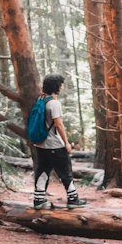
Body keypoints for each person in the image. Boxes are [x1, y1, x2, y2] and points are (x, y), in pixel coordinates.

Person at [30, 74, 85, 210]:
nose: (62, 87)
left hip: (41, 144)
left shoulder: (41, 100)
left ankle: (38, 199)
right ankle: (73, 199)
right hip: (54, 144)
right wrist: (66, 142)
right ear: (56, 87)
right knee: (65, 171)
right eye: (61, 84)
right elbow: (58, 124)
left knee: (43, 170)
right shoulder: (54, 103)